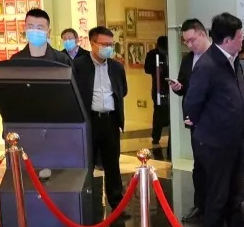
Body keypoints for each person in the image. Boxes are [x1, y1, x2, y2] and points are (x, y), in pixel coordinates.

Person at [183, 12, 244, 227]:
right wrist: (203, 125)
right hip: (214, 143)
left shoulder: (232, 61)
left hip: (234, 141)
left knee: (237, 193)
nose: (243, 40)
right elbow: (192, 103)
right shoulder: (208, 65)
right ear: (227, 40)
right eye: (240, 36)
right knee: (217, 194)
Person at [73, 26, 130, 214]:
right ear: (92, 43)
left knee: (112, 163)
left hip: (110, 120)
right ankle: (87, 203)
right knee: (86, 163)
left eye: (111, 44)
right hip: (89, 121)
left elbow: (123, 90)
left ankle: (117, 204)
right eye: (104, 44)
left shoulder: (116, 67)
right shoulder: (79, 65)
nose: (108, 48)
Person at [171, 19, 211, 221]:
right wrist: (178, 87)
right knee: (200, 164)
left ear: (202, 34)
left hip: (215, 121)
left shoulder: (218, 57)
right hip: (195, 120)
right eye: (185, 42)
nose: (189, 45)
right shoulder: (188, 60)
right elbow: (185, 87)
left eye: (192, 40)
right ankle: (200, 205)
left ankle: (218, 207)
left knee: (217, 166)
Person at [144, 36, 171, 147]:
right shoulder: (152, 54)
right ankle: (156, 137)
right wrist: (158, 68)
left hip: (170, 86)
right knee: (158, 113)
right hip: (159, 87)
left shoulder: (170, 53)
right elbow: (147, 69)